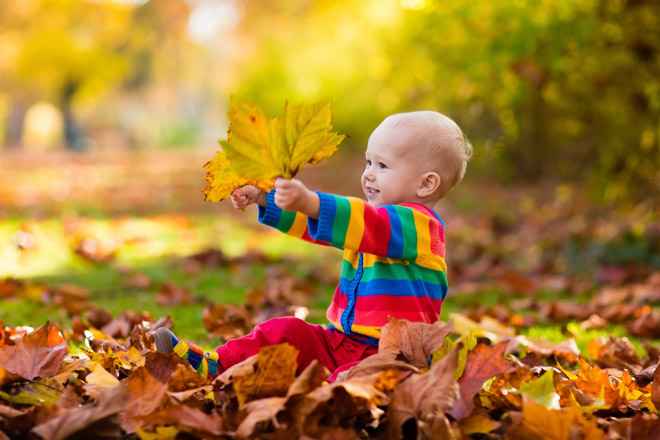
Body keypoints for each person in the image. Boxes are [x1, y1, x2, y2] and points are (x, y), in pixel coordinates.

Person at [154, 110, 473, 381]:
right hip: (340, 342)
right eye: (368, 162)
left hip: (393, 360)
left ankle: (308, 406)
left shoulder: (420, 227)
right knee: (285, 332)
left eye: (383, 166)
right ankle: (216, 366)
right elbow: (318, 228)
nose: (368, 175)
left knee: (345, 385)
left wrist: (312, 201)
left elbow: (365, 222)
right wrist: (269, 200)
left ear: (426, 183)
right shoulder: (368, 224)